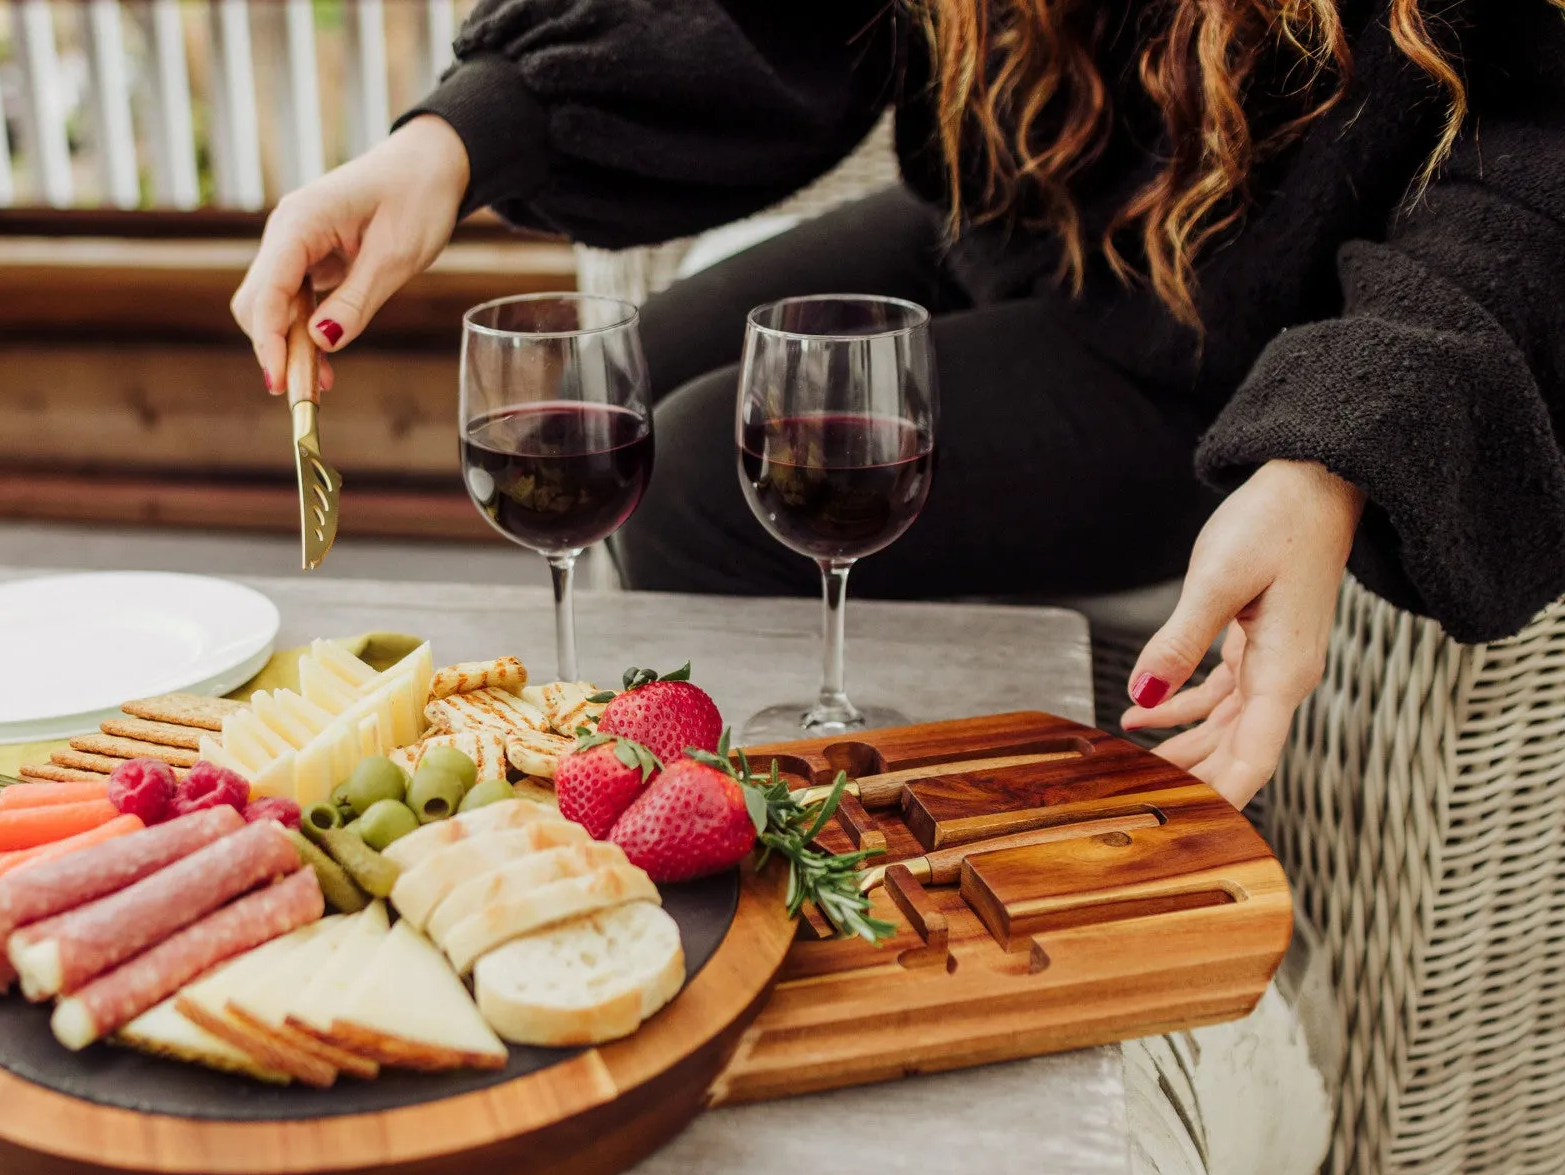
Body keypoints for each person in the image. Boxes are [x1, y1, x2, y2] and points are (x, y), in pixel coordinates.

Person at [233, 0, 1565, 810]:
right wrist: (459, 138)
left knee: (704, 472)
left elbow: (1538, 142)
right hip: (1013, 210)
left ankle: (808, 846)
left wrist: (1335, 446)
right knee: (616, 383)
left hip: (1251, 345)